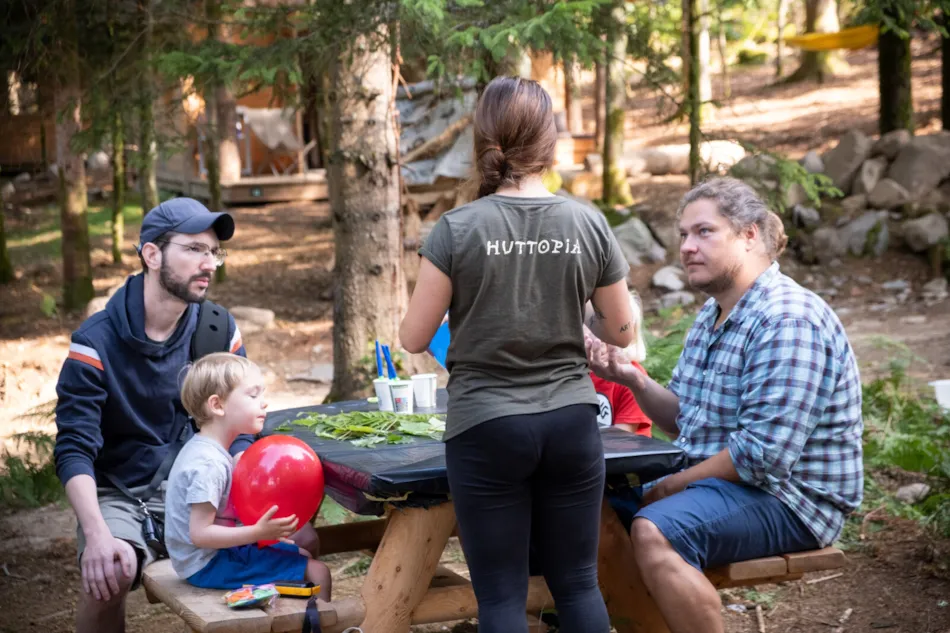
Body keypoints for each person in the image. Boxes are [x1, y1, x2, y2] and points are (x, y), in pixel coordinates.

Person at [399, 76, 636, 633]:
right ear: (549, 141)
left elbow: (413, 338)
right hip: (570, 424)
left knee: (502, 598)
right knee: (578, 584)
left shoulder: (456, 229)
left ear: (483, 139)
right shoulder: (587, 222)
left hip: (486, 425)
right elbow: (621, 330)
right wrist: (579, 313)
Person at [588, 177, 864, 633]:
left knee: (656, 530)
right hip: (732, 483)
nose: (687, 247)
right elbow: (683, 420)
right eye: (682, 235)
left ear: (750, 234)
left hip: (791, 498)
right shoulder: (714, 314)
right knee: (587, 505)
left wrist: (671, 486)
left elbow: (761, 456)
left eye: (704, 232)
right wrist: (632, 378)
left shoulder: (786, 318)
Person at [53, 198, 320, 633]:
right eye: (194, 249)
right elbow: (74, 449)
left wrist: (251, 502)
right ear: (152, 254)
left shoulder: (217, 329)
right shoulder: (94, 343)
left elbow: (241, 431)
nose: (209, 262)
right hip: (125, 493)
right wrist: (98, 534)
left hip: (209, 479)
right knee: (108, 575)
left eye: (214, 251)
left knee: (304, 539)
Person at [166, 353, 332, 594]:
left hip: (213, 555)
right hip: (206, 564)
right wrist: (258, 533)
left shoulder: (210, 450)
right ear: (217, 405)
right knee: (318, 572)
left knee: (303, 554)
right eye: (253, 395)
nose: (263, 402)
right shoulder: (208, 464)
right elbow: (200, 534)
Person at [584, 296, 652, 436]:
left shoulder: (630, 377)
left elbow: (621, 440)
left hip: (622, 453)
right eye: (590, 323)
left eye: (607, 326)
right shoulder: (571, 373)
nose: (596, 333)